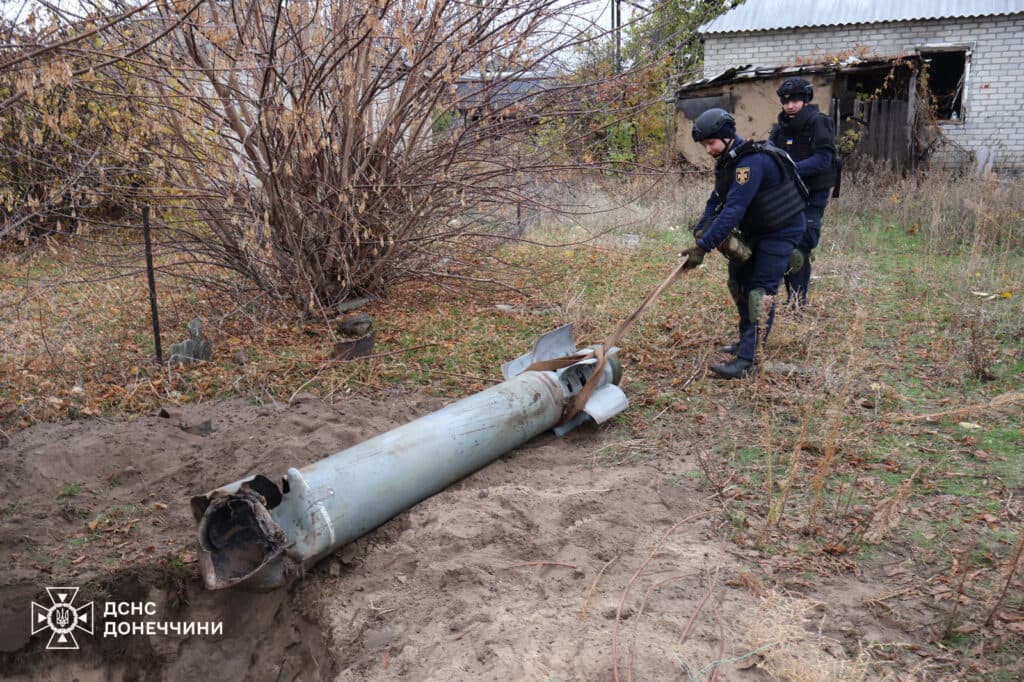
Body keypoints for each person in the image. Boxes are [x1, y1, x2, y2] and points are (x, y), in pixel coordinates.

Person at [681, 108, 807, 379]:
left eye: (710, 143)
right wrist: (702, 230)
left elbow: (733, 211)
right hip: (756, 230)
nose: (707, 150)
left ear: (726, 137)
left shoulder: (751, 164)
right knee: (738, 284)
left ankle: (749, 360)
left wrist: (703, 248)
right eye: (704, 145)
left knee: (759, 292)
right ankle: (745, 340)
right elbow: (716, 201)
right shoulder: (728, 161)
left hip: (781, 230)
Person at [769, 77, 838, 308]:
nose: (790, 105)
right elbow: (771, 156)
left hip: (813, 193)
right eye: (786, 101)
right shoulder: (780, 127)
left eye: (796, 100)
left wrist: (791, 169)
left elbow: (824, 159)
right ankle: (791, 299)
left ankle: (797, 303)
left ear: (806, 99)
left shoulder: (819, 122)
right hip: (787, 194)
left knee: (801, 244)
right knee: (787, 245)